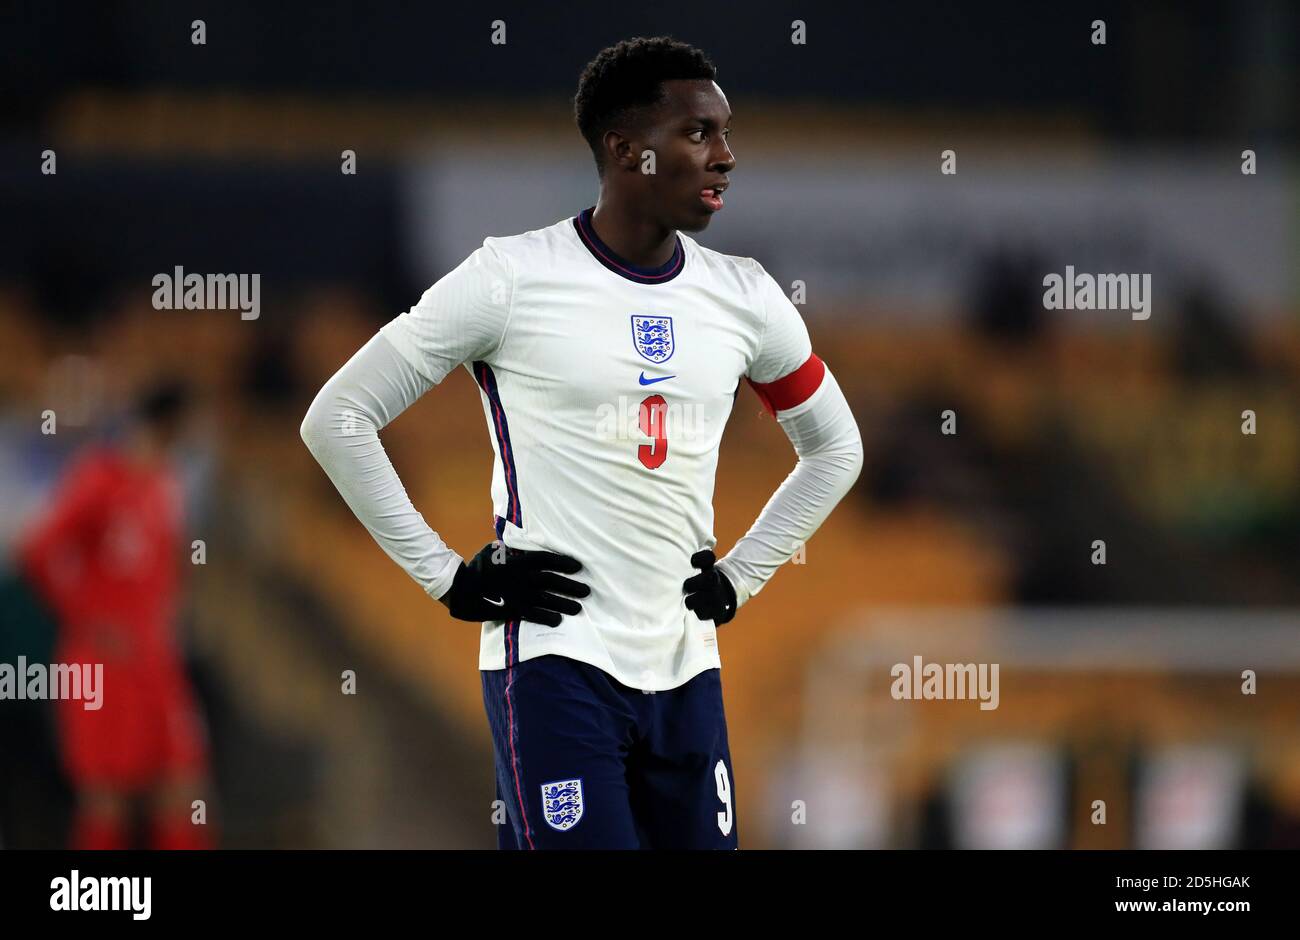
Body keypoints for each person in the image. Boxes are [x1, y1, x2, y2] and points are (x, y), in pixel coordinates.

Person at [301, 36, 863, 849]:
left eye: (727, 133)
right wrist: (449, 581)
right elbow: (338, 416)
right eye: (699, 133)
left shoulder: (746, 297)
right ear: (625, 148)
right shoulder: (510, 279)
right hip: (557, 667)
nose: (727, 157)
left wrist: (744, 574)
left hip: (686, 673)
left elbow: (835, 448)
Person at [18, 379, 212, 849]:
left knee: (183, 789)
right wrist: (84, 617)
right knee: (106, 800)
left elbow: (164, 570)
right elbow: (38, 549)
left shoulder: (165, 486)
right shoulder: (100, 478)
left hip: (155, 661)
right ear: (170, 426)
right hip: (102, 664)